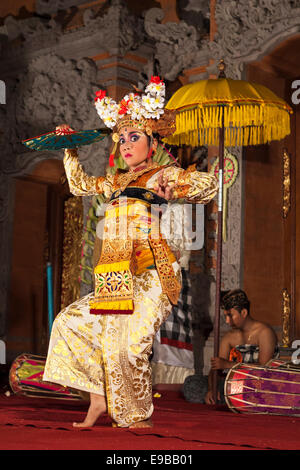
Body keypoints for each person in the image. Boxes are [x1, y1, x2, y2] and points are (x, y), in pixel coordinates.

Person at [42, 76, 218, 428]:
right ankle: (98, 398)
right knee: (69, 324)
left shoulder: (161, 174)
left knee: (129, 345)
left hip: (154, 274)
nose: (125, 144)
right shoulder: (117, 180)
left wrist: (182, 183)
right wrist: (70, 147)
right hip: (117, 275)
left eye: (134, 137)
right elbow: (79, 185)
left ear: (152, 143)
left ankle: (136, 417)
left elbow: (208, 185)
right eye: (121, 138)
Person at [205, 289, 278, 405]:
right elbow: (216, 368)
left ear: (243, 313)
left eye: (230, 316)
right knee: (191, 383)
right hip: (230, 382)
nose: (227, 321)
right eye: (225, 316)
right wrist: (211, 388)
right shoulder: (229, 337)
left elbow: (264, 368)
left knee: (235, 392)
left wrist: (228, 365)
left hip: (257, 384)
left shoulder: (264, 332)